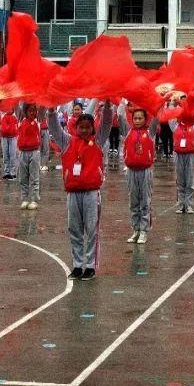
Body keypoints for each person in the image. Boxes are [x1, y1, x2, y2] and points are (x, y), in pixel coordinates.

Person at [49, 103, 113, 279]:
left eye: (88, 127)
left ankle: (90, 266)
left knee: (91, 230)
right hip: (73, 193)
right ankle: (77, 265)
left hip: (92, 193)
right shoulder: (67, 142)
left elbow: (107, 123)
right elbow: (54, 128)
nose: (84, 130)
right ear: (75, 127)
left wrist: (107, 104)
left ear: (93, 128)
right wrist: (51, 109)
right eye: (81, 127)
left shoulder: (98, 141)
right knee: (74, 229)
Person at [122, 106, 157, 244]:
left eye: (140, 118)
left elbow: (156, 116)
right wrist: (122, 100)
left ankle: (144, 231)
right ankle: (136, 230)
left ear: (145, 119)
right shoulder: (128, 131)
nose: (137, 120)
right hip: (131, 171)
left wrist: (156, 101)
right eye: (135, 118)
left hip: (145, 171)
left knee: (145, 201)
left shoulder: (150, 132)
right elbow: (120, 115)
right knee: (133, 201)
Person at [16, 104, 42, 210]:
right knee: (23, 178)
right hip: (22, 153)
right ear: (25, 112)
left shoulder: (38, 120)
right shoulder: (21, 120)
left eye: (34, 110)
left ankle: (34, 199)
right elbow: (16, 106)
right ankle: (25, 199)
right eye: (30, 111)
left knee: (34, 177)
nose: (33, 113)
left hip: (34, 152)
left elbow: (43, 108)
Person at [171, 112, 194, 213]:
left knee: (190, 180)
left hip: (190, 155)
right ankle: (181, 204)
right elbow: (171, 114)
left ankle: (189, 205)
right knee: (180, 180)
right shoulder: (175, 125)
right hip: (178, 155)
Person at [0, 107, 19, 179]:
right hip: (4, 137)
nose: (8, 109)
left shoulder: (15, 115)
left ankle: (13, 172)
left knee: (12, 154)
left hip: (13, 137)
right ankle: (7, 172)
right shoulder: (2, 114)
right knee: (5, 155)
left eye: (10, 108)